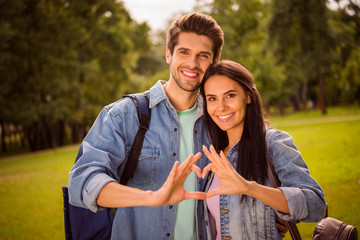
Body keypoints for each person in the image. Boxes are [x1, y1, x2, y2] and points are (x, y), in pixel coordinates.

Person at [68, 13, 224, 240]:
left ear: (215, 62)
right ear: (168, 54)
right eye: (184, 52)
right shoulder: (124, 115)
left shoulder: (219, 120)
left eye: (203, 56)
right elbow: (83, 180)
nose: (192, 63)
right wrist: (152, 197)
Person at [198, 60, 327, 240]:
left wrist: (250, 188)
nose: (221, 106)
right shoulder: (212, 155)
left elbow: (316, 204)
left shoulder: (273, 142)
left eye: (230, 95)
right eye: (212, 98)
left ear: (248, 96)